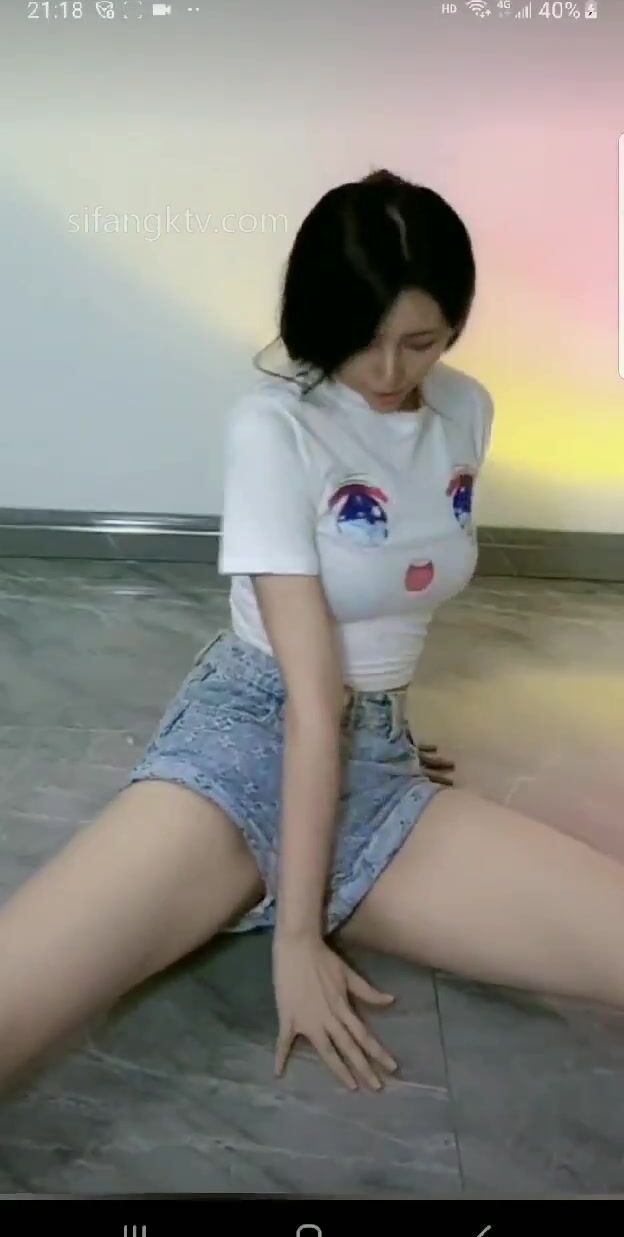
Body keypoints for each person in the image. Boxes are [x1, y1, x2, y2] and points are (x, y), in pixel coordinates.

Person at [2, 168, 624, 1098]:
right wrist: (297, 941)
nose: (388, 371)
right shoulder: (275, 426)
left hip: (373, 765)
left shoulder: (468, 409)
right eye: (361, 340)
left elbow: (394, 596)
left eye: (420, 342)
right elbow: (309, 698)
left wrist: (383, 723)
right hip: (248, 750)